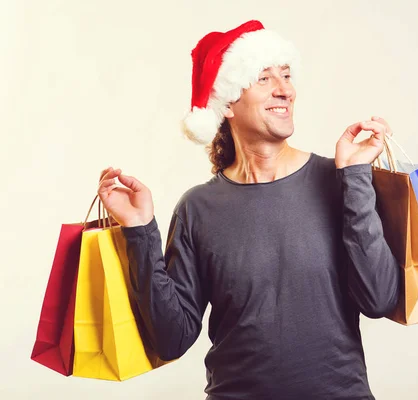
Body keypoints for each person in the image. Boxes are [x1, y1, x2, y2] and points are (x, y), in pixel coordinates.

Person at [98, 20, 400, 400]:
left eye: (286, 75)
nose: (285, 90)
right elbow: (170, 340)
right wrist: (140, 231)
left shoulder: (338, 178)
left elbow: (380, 299)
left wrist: (355, 176)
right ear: (226, 104)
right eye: (264, 78)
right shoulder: (198, 208)